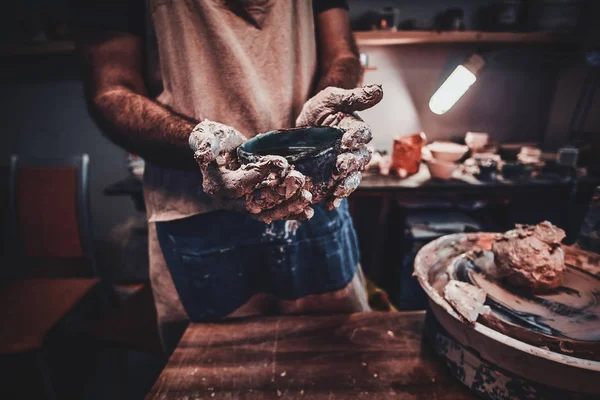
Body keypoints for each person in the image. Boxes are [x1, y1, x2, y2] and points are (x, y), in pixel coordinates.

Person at [79, 0, 383, 354]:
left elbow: (342, 54)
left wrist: (331, 114)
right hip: (196, 209)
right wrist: (198, 145)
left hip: (311, 195)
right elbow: (110, 89)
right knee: (216, 372)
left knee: (333, 356)